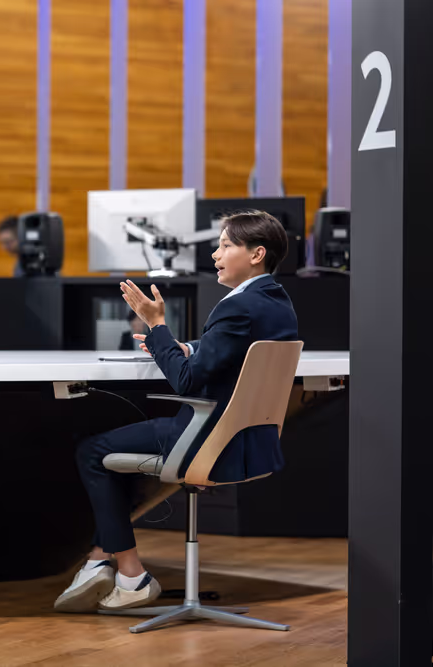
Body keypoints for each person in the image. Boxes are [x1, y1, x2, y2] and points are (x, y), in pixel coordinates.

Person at [55, 211, 297, 614]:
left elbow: (185, 383)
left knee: (93, 452)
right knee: (121, 457)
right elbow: (225, 356)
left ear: (256, 254)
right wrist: (182, 348)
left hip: (208, 437)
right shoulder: (275, 302)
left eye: (225, 245)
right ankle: (101, 556)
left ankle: (130, 574)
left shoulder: (236, 307)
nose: (215, 252)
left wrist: (157, 327)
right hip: (251, 441)